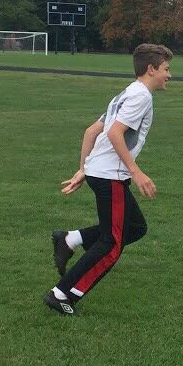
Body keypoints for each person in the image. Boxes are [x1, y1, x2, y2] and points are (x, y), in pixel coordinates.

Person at [44, 43, 173, 315]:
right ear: (151, 69)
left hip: (100, 173)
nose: (169, 75)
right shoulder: (141, 97)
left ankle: (70, 239)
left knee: (135, 227)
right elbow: (114, 134)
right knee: (111, 244)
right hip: (110, 177)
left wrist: (84, 169)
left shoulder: (126, 94)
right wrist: (136, 172)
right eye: (166, 69)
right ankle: (62, 294)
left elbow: (91, 132)